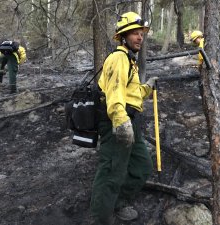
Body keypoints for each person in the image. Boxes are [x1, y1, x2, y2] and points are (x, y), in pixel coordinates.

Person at [90, 11, 158, 225]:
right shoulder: (118, 58)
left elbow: (130, 92)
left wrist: (147, 88)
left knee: (142, 166)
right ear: (123, 36)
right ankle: (100, 217)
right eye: (134, 33)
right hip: (116, 123)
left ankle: (118, 203)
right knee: (112, 171)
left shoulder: (129, 60)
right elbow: (115, 93)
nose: (140, 37)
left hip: (132, 122)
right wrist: (121, 123)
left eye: (141, 33)